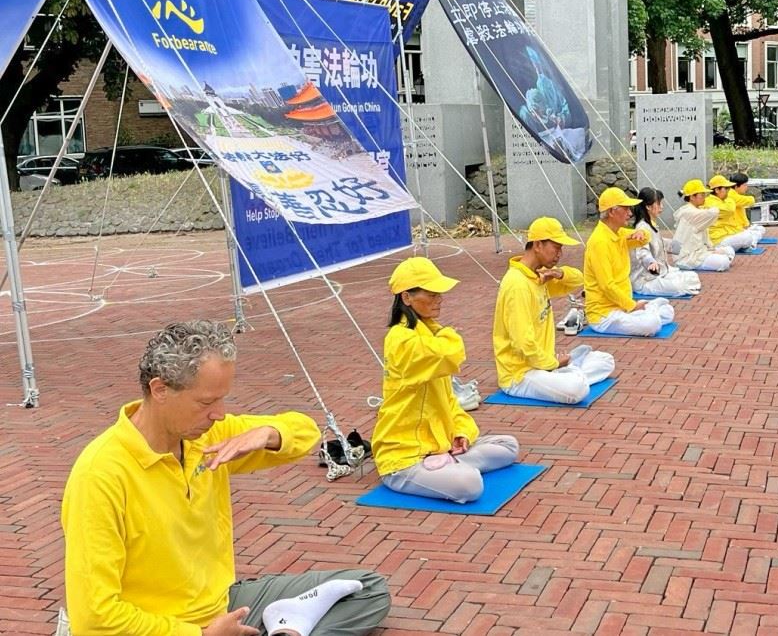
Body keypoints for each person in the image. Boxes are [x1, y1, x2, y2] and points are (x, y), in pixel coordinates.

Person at [61, 320, 391, 636]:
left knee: (367, 590)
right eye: (206, 401)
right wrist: (198, 634)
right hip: (158, 627)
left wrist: (268, 433)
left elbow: (305, 431)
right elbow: (94, 618)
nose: (219, 414)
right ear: (160, 389)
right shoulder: (101, 474)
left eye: (222, 399)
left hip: (223, 605)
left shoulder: (207, 436)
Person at [375, 257, 520, 501]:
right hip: (404, 457)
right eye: (431, 294)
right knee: (470, 485)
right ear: (406, 298)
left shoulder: (427, 332)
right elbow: (451, 351)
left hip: (439, 444)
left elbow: (448, 401)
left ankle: (446, 462)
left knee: (509, 446)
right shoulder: (401, 339)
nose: (439, 299)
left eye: (439, 293)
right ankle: (445, 466)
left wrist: (461, 433)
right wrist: (443, 330)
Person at [493, 217, 615, 404]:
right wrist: (555, 363)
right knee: (577, 390)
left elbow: (578, 279)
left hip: (545, 364)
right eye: (556, 248)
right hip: (520, 375)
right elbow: (523, 344)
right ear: (538, 245)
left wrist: (560, 273)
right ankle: (570, 371)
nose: (559, 254)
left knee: (606, 361)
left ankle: (568, 371)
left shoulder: (538, 276)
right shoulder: (517, 284)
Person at [583, 186, 676, 335]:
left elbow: (642, 238)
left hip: (623, 306)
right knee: (651, 325)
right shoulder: (599, 242)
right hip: (604, 315)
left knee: (668, 312)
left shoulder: (619, 233)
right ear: (612, 212)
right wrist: (632, 306)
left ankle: (648, 310)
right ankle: (648, 311)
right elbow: (607, 286)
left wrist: (641, 232)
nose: (630, 213)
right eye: (625, 208)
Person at [629, 188, 701, 297]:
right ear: (648, 206)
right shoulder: (642, 228)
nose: (661, 207)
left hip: (660, 273)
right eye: (658, 204)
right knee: (679, 287)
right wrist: (650, 262)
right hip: (645, 280)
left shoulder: (651, 224)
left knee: (692, 277)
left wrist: (683, 245)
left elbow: (660, 242)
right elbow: (642, 251)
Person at [671, 179, 736, 272]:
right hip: (688, 257)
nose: (704, 197)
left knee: (729, 250)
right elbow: (713, 212)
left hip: (698, 252)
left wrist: (712, 250)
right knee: (723, 261)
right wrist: (710, 204)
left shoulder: (695, 210)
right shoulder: (689, 212)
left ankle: (716, 258)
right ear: (692, 197)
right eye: (702, 195)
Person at [706, 174, 759, 251]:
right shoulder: (712, 202)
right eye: (726, 188)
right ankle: (751, 245)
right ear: (717, 190)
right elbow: (729, 209)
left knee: (754, 232)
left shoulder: (721, 200)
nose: (728, 190)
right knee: (748, 237)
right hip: (717, 240)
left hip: (725, 235)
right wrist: (730, 198)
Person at [726, 173, 768, 244]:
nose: (746, 187)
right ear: (736, 186)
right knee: (751, 235)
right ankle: (752, 243)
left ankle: (752, 240)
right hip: (735, 230)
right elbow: (750, 200)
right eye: (745, 185)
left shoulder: (734, 195)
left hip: (741, 228)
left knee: (761, 229)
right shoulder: (731, 196)